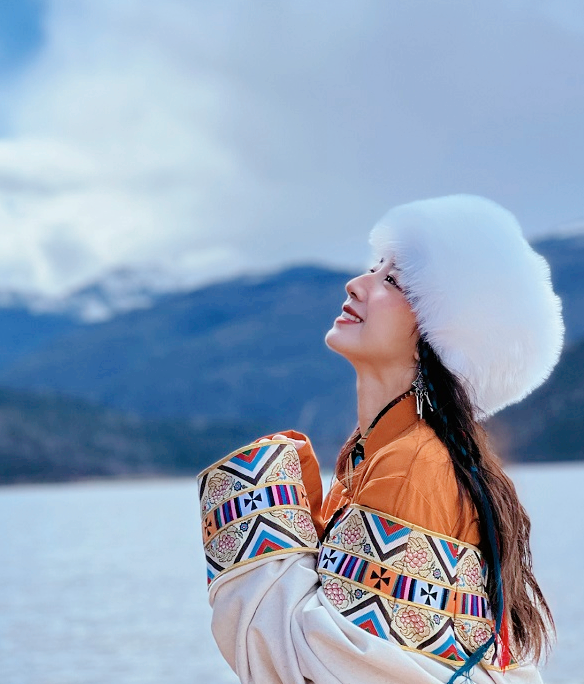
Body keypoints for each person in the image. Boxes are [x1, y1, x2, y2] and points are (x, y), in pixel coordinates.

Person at [197, 194, 564, 683]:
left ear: (438, 332)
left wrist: (258, 512)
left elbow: (342, 669)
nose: (357, 283)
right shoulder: (381, 454)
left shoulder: (411, 465)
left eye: (391, 280)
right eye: (375, 267)